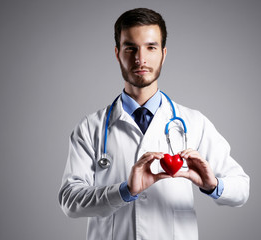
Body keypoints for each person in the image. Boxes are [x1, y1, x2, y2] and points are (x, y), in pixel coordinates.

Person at [58, 8, 249, 240]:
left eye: (151, 47)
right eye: (131, 48)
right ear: (117, 53)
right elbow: (69, 199)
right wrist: (124, 192)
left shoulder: (194, 123)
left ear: (163, 53)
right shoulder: (90, 128)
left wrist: (212, 185)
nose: (141, 58)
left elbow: (241, 189)